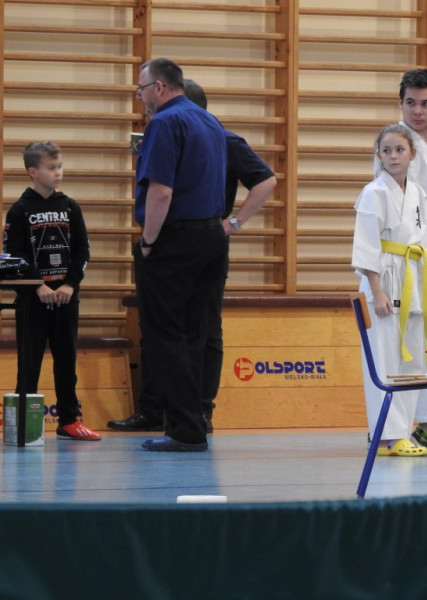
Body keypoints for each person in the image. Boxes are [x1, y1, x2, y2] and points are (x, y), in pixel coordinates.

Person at [108, 78, 277, 433]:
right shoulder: (172, 134)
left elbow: (266, 180)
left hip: (198, 240)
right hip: (173, 238)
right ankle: (154, 408)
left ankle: (198, 411)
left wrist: (235, 222)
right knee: (158, 327)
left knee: (201, 329)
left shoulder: (221, 138)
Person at [133, 57, 228, 452]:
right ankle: (195, 422)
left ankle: (184, 428)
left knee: (164, 334)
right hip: (211, 238)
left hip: (175, 242)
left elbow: (161, 191)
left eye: (141, 90)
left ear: (159, 87)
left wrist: (149, 241)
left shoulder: (164, 122)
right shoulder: (210, 121)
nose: (140, 98)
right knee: (194, 334)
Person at [352, 123, 427, 456]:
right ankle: (385, 436)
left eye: (399, 150)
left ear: (412, 154)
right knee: (384, 360)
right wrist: (376, 291)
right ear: (378, 156)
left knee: (412, 362)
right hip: (384, 279)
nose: (393, 156)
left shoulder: (418, 193)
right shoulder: (373, 192)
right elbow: (366, 245)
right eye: (386, 151)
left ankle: (402, 433)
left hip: (415, 279)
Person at [376, 68, 427, 451]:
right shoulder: (396, 144)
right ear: (400, 103)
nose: (417, 111)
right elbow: (392, 209)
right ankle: (395, 428)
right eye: (410, 103)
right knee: (405, 349)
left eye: (425, 103)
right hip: (405, 262)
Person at [2, 141, 101, 441]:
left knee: (67, 361)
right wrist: (37, 286)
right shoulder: (19, 211)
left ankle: (69, 421)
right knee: (28, 364)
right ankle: (22, 425)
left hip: (66, 300)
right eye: (51, 167)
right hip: (32, 303)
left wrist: (70, 284)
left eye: (59, 166)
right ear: (32, 172)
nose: (58, 172)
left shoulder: (70, 207)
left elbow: (82, 250)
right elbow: (14, 256)